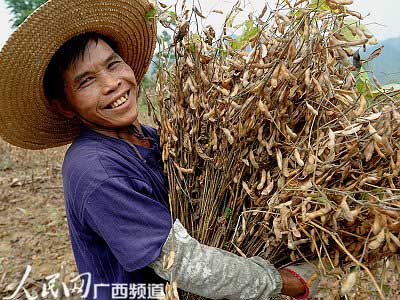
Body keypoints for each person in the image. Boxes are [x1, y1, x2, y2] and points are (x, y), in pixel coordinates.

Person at [0, 0, 321, 299]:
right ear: (64, 106)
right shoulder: (95, 170)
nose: (111, 83)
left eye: (113, 64)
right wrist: (279, 281)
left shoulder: (156, 139)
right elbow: (180, 261)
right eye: (86, 81)